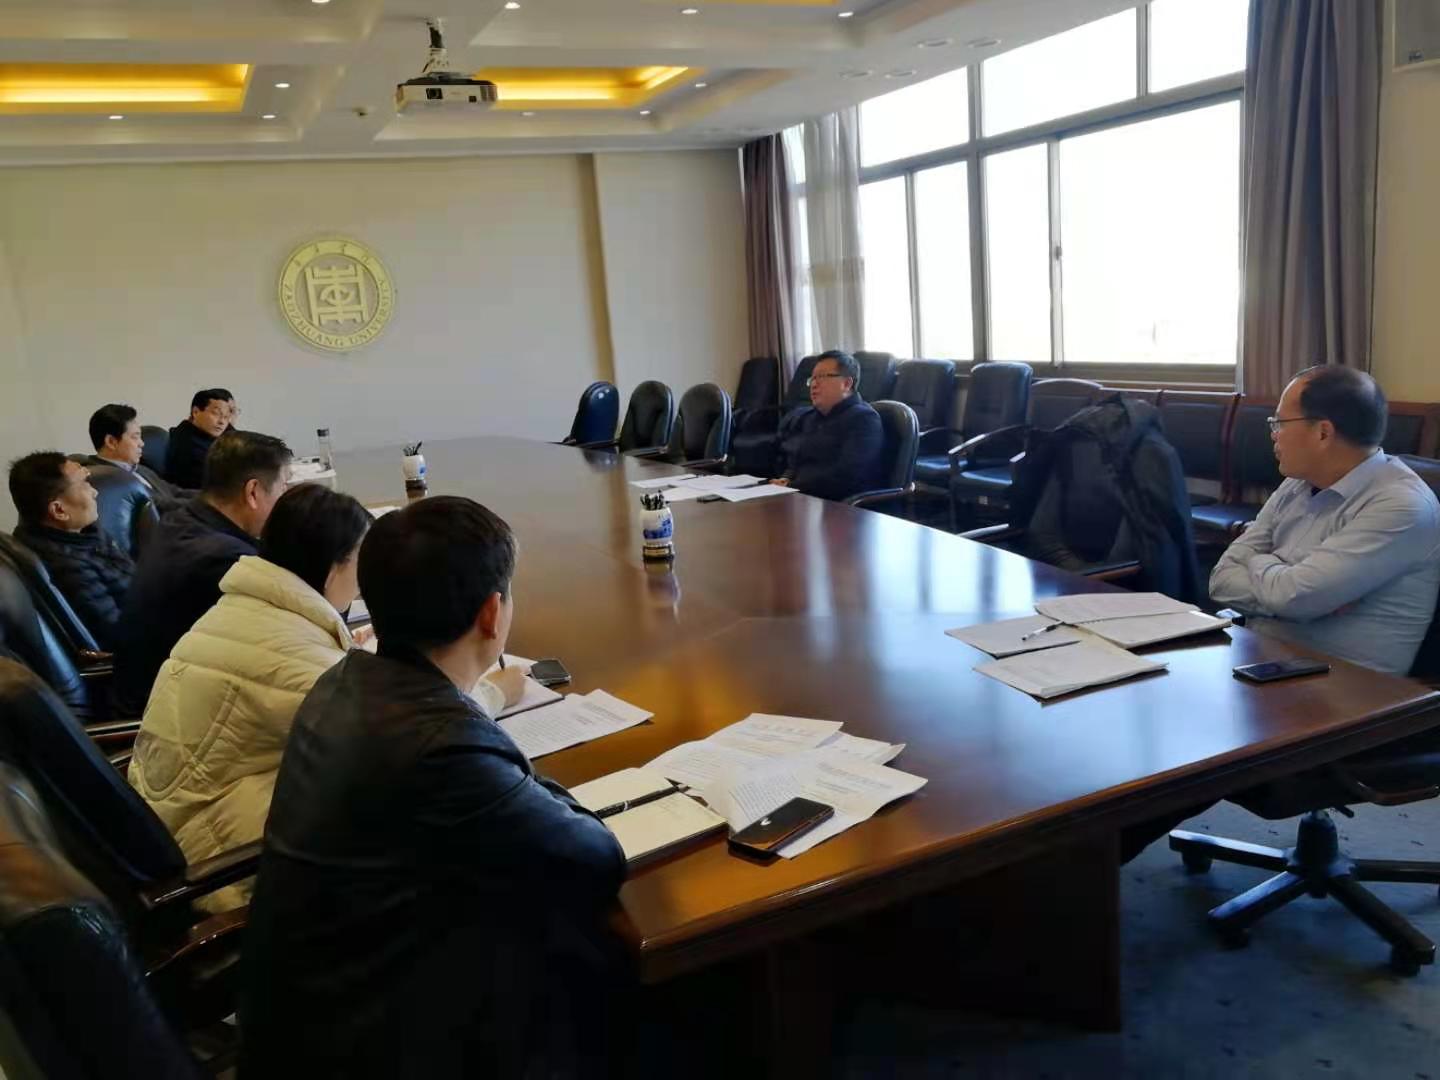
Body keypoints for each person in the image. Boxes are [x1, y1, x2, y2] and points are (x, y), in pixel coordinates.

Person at [239, 496, 625, 1079]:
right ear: (492, 613)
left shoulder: (347, 679)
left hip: (305, 1017)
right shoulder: (444, 746)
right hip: (383, 1040)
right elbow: (596, 857)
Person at [127, 484, 372, 912]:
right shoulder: (300, 662)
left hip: (173, 821)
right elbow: (392, 747)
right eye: (360, 559)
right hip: (223, 863)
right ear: (333, 565)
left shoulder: (243, 609)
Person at [1210, 366, 1440, 676]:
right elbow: (1221, 580)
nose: (1273, 434)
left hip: (1344, 686)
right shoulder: (1296, 483)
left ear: (1322, 433)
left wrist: (1259, 560)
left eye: (1279, 423)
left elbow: (1296, 598)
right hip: (1261, 659)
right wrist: (1288, 591)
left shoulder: (1400, 504)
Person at [112, 429, 292, 719]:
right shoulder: (223, 561)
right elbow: (287, 642)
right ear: (253, 492)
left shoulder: (182, 521)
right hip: (171, 715)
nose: (287, 498)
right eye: (284, 487)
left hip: (160, 689)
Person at [7, 453, 134, 650]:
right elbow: (122, 633)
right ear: (59, 511)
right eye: (84, 485)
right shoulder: (66, 566)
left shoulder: (82, 533)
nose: (95, 492)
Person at [772, 350, 885, 501]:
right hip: (803, 497)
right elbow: (796, 460)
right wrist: (786, 478)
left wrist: (793, 485)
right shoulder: (810, 417)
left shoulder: (864, 420)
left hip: (841, 505)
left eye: (821, 377)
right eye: (812, 379)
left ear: (847, 383)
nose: (813, 384)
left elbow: (847, 476)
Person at [85, 403, 196, 514]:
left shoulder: (137, 467)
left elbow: (173, 491)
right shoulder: (107, 480)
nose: (142, 443)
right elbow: (158, 505)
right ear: (111, 442)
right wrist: (202, 504)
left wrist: (205, 495)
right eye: (135, 437)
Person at [165, 388, 235, 490]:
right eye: (216, 413)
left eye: (226, 417)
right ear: (196, 412)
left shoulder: (209, 434)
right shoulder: (185, 442)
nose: (222, 422)